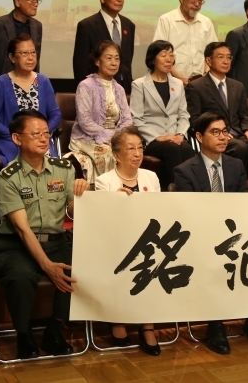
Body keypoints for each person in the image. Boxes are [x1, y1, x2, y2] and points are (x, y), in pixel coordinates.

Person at [173, 112, 248, 354]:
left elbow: (241, 202)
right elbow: (188, 212)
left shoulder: (235, 165)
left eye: (224, 131)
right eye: (215, 132)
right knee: (213, 258)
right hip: (202, 235)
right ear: (199, 137)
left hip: (234, 233)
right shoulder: (184, 170)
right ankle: (215, 323)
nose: (222, 137)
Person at [0, 110, 88, 359]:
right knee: (21, 276)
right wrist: (47, 266)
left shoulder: (64, 168)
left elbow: (72, 212)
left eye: (46, 133)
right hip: (15, 245)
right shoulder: (7, 177)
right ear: (17, 138)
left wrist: (83, 195)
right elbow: (22, 230)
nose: (44, 138)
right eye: (36, 134)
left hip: (56, 241)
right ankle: (23, 334)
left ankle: (54, 329)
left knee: (83, 267)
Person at [91, 127, 163, 355]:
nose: (137, 153)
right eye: (130, 148)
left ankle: (148, 325)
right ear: (116, 154)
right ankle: (117, 319)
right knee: (119, 260)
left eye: (140, 147)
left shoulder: (151, 177)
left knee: (155, 259)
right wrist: (116, 202)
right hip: (116, 240)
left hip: (148, 238)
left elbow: (160, 212)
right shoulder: (104, 181)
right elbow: (102, 219)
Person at [185, 42, 248, 178]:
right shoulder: (196, 86)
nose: (226, 61)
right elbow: (194, 119)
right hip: (215, 135)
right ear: (208, 61)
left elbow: (244, 115)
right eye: (220, 57)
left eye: (228, 57)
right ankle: (233, 185)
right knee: (239, 147)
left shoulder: (237, 86)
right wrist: (220, 132)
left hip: (238, 134)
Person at [0, 34, 61, 165]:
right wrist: (14, 135)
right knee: (21, 163)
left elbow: (55, 114)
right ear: (12, 57)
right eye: (24, 53)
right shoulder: (1, 82)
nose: (30, 57)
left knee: (52, 166)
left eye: (33, 52)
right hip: (11, 140)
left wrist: (42, 133)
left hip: (39, 140)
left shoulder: (43, 81)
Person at [129, 40, 194, 189]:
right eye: (164, 55)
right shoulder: (139, 84)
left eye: (171, 55)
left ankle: (190, 190)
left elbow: (184, 115)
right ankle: (173, 189)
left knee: (187, 149)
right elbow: (136, 119)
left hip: (175, 138)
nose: (168, 59)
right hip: (151, 140)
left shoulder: (178, 84)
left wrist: (180, 134)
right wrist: (158, 137)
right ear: (153, 59)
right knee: (173, 149)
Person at [68, 40, 132, 180]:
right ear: (97, 61)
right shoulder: (85, 86)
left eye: (117, 59)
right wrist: (107, 136)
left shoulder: (119, 89)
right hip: (87, 137)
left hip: (114, 137)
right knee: (109, 154)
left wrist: (115, 137)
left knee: (130, 152)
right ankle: (104, 191)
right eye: (109, 58)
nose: (114, 63)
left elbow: (127, 120)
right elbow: (85, 121)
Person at [72, 0, 135, 93]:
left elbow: (127, 60)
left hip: (123, 89)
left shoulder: (129, 25)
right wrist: (83, 92)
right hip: (96, 89)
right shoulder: (87, 25)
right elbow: (80, 65)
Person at [153, 0, 218, 85]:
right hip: (172, 82)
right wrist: (179, 78)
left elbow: (213, 52)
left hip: (201, 83)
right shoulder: (166, 20)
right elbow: (159, 53)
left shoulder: (206, 22)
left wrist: (206, 75)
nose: (197, 4)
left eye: (200, 1)